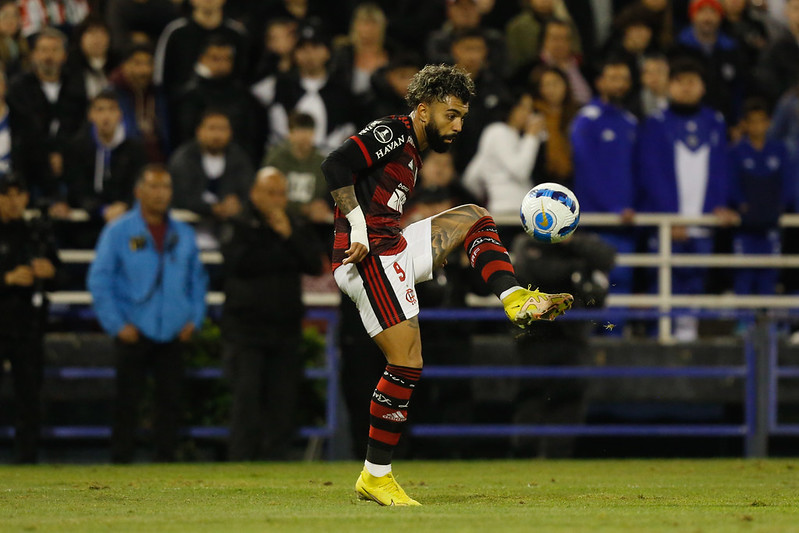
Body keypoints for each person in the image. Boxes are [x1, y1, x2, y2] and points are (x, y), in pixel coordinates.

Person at [321, 64, 573, 506]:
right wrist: (357, 229)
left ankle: (515, 298)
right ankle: (375, 476)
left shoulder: (416, 150)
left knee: (475, 217)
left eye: (461, 117)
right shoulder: (391, 133)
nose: (456, 126)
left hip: (392, 246)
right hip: (368, 256)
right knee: (407, 362)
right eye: (449, 115)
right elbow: (335, 164)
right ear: (421, 110)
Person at [87, 164, 207, 463]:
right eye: (153, 186)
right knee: (126, 402)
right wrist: (116, 325)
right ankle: (121, 462)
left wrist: (195, 318)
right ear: (138, 191)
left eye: (165, 186)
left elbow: (198, 280)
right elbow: (100, 280)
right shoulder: (118, 231)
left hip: (174, 329)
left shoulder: (183, 233)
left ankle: (166, 462)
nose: (160, 193)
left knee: (170, 403)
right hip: (133, 330)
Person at [220, 167, 323, 461]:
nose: (277, 200)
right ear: (254, 193)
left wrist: (289, 236)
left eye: (281, 193)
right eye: (270, 193)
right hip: (246, 329)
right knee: (246, 401)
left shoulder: (293, 225)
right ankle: (240, 464)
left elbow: (314, 264)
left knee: (283, 403)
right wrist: (282, 252)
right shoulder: (239, 223)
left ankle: (276, 464)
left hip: (285, 329)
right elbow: (239, 262)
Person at [636, 57, 739, 341]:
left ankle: (687, 343)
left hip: (703, 222)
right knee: (664, 286)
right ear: (669, 86)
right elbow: (650, 172)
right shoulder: (656, 123)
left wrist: (719, 206)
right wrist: (669, 217)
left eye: (692, 82)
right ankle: (661, 345)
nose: (686, 88)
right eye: (680, 82)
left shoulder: (714, 122)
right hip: (667, 223)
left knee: (695, 284)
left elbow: (722, 168)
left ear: (703, 87)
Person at [0, 175, 59, 463]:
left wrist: (51, 272)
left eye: (18, 194)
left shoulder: (36, 233)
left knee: (29, 395)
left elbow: (61, 275)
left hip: (28, 325)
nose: (13, 201)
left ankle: (27, 459)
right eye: (6, 195)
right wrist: (7, 279)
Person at [571, 59, 637, 299]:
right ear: (599, 82)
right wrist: (612, 207)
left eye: (624, 79)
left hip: (626, 223)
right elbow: (587, 172)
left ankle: (617, 336)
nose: (619, 84)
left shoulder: (630, 121)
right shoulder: (586, 121)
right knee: (594, 286)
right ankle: (592, 336)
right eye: (613, 78)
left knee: (622, 283)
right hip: (596, 221)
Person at [7, 28, 86, 213]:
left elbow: (78, 127)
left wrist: (60, 151)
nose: (48, 56)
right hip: (30, 168)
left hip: (69, 166)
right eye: (43, 50)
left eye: (54, 50)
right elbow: (24, 131)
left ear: (64, 55)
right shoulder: (19, 87)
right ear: (34, 55)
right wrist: (50, 153)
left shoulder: (75, 86)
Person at [729, 98, 795, 295]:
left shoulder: (780, 151)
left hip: (771, 224)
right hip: (744, 225)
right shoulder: (736, 152)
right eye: (752, 121)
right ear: (745, 124)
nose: (757, 126)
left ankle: (767, 323)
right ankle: (744, 322)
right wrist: (740, 204)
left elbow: (789, 182)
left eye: (761, 121)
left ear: (769, 122)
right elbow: (730, 183)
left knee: (770, 273)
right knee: (744, 273)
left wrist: (780, 205)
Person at [63, 90, 147, 226]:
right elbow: (77, 189)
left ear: (120, 114)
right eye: (100, 110)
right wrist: (101, 210)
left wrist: (124, 206)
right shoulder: (77, 148)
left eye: (112, 109)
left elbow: (137, 185)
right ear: (90, 115)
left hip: (125, 219)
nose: (106, 116)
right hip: (86, 222)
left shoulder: (135, 149)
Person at [168, 110, 253, 241]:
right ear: (199, 131)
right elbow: (180, 196)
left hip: (228, 230)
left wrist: (237, 203)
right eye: (212, 128)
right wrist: (212, 209)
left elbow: (247, 191)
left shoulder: (239, 159)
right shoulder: (184, 159)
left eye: (222, 129)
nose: (217, 135)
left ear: (231, 133)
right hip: (187, 227)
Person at [173, 35, 262, 161]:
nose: (222, 64)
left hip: (237, 163)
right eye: (215, 59)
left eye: (227, 59)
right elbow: (184, 136)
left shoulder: (243, 96)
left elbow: (252, 135)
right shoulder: (190, 97)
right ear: (202, 59)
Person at [462, 91, 546, 214]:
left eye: (530, 109)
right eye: (523, 107)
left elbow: (472, 175)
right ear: (511, 107)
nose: (528, 114)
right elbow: (521, 170)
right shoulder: (498, 131)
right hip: (507, 211)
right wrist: (532, 136)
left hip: (520, 210)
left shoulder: (514, 136)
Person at [153, 0, 248, 98]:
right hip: (182, 105)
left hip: (228, 104)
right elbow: (161, 78)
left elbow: (244, 77)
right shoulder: (175, 32)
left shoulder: (236, 34)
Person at [262, 111, 331, 223]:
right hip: (279, 217)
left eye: (308, 131)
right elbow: (266, 194)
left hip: (312, 223)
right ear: (289, 133)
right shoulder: (276, 159)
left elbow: (327, 196)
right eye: (298, 130)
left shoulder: (322, 163)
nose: (303, 136)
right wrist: (302, 209)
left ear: (314, 133)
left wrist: (321, 206)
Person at [108, 44, 171, 163]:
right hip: (125, 164)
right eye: (137, 63)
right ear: (124, 65)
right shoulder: (112, 95)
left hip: (158, 164)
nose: (144, 70)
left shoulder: (158, 94)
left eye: (148, 64)